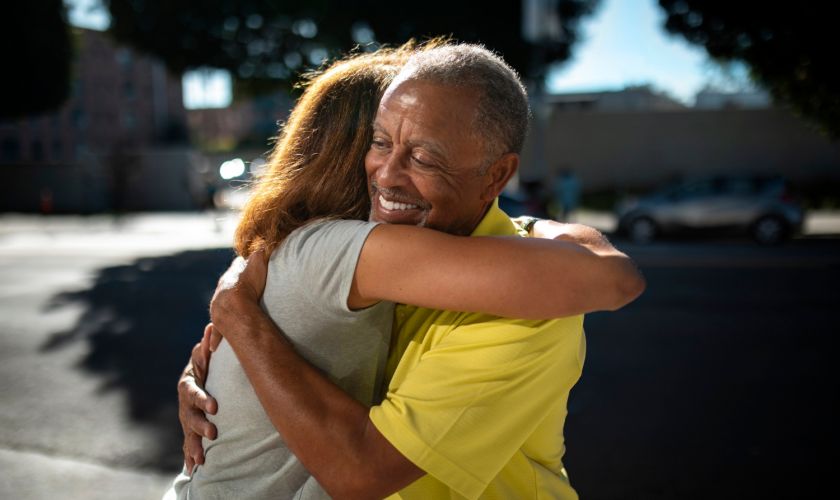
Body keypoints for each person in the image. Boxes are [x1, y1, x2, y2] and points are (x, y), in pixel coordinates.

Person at [178, 42, 645, 499]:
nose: (386, 175)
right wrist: (214, 373)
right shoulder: (367, 249)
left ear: (496, 177)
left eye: (423, 157)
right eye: (380, 142)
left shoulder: (533, 303)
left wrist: (242, 321)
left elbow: (360, 472)